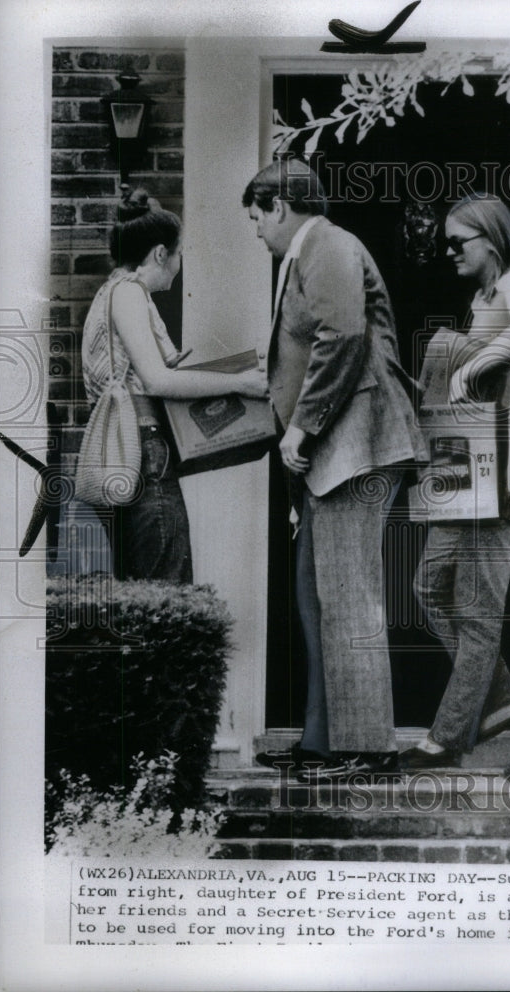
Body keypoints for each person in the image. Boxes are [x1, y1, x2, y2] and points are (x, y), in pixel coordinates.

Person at [244, 158, 428, 780]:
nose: (256, 232)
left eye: (256, 216)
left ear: (278, 206)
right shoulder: (309, 251)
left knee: (348, 595)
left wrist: (301, 426)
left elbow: (343, 335)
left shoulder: (323, 242)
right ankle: (323, 742)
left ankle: (365, 748)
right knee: (316, 593)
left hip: (359, 443)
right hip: (337, 450)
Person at [401, 193, 510, 769]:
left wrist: (472, 364)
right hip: (469, 467)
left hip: (505, 471)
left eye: (459, 241)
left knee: (477, 610)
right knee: (430, 588)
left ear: (492, 238)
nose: (448, 250)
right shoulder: (484, 297)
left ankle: (447, 738)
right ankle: (502, 702)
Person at [81, 186, 269, 582]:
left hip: (131, 453)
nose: (180, 263)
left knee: (147, 585)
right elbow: (158, 380)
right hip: (144, 453)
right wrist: (240, 383)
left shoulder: (112, 292)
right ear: (160, 253)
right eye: (180, 253)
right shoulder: (128, 292)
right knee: (167, 583)